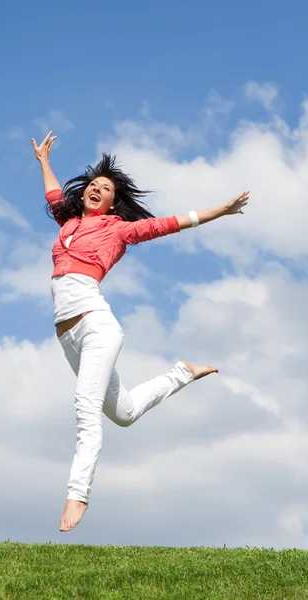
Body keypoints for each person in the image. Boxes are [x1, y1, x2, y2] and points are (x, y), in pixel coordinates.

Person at [31, 131, 250, 533]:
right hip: (67, 337)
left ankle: (77, 494)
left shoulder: (118, 229)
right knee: (125, 412)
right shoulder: (69, 220)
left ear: (114, 202)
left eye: (105, 189)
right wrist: (44, 160)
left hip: (96, 325)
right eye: (93, 185)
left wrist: (221, 210)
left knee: (86, 409)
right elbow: (52, 196)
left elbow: (170, 224)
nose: (96, 189)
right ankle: (183, 372)